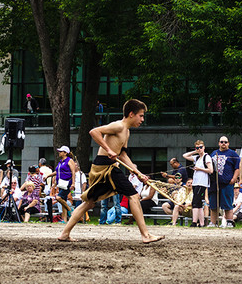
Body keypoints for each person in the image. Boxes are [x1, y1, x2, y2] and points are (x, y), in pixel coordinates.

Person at [58, 99, 164, 243]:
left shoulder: (126, 132)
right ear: (131, 114)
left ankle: (64, 234)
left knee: (89, 202)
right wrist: (108, 150)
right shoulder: (118, 126)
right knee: (133, 196)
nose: (142, 119)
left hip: (107, 167)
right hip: (106, 168)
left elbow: (123, 155)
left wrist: (137, 173)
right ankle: (145, 235)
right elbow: (94, 131)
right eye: (141, 115)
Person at [209, 136, 240, 228]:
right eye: (222, 142)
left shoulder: (233, 154)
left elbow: (237, 168)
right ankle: (213, 223)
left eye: (225, 142)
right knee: (213, 204)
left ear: (228, 143)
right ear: (219, 143)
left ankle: (230, 222)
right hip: (214, 183)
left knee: (227, 203)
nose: (223, 143)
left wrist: (234, 179)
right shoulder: (214, 153)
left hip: (227, 183)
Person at [183, 140, 213, 227]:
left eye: (200, 147)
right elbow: (185, 155)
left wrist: (200, 169)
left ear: (204, 147)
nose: (199, 149)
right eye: (197, 148)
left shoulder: (206, 157)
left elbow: (210, 170)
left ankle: (194, 222)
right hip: (196, 182)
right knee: (198, 202)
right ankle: (202, 223)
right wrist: (194, 151)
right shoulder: (197, 157)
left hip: (202, 182)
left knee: (195, 201)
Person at [44, 146, 76, 223]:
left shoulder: (70, 160)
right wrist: (48, 176)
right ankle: (64, 220)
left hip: (67, 183)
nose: (59, 152)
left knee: (58, 198)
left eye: (61, 151)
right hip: (61, 184)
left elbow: (73, 172)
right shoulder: (60, 162)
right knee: (63, 201)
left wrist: (73, 183)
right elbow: (57, 172)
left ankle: (70, 209)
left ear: (65, 153)